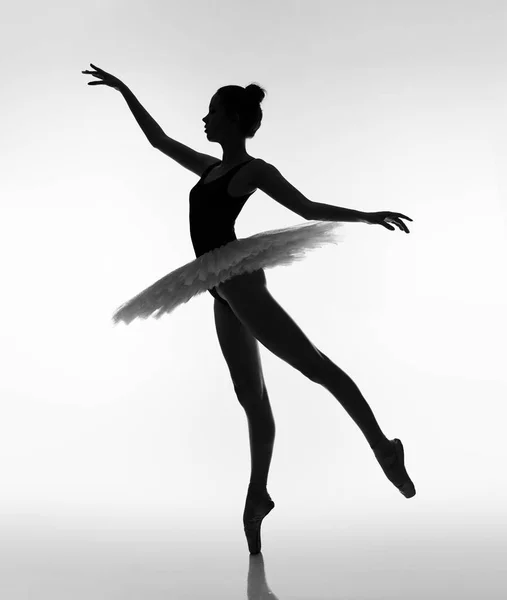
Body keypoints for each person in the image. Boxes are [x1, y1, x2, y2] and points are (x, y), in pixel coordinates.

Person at [82, 63, 416, 555]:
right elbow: (158, 141)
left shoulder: (250, 170)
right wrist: (122, 89)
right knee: (251, 398)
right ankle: (258, 493)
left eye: (212, 111)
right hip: (219, 286)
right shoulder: (210, 168)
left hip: (238, 280)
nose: (204, 119)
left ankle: (383, 448)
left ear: (234, 119)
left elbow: (306, 208)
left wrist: (365, 215)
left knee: (315, 368)